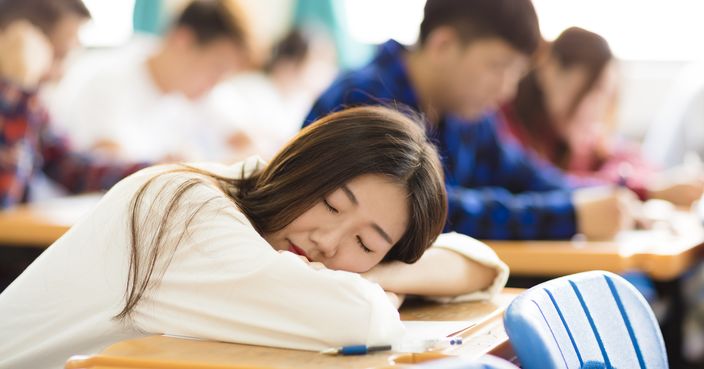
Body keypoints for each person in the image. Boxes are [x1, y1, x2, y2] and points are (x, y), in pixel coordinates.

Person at [0, 106, 508, 369]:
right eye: (332, 204)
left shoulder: (256, 207)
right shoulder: (187, 208)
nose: (330, 242)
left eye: (366, 243)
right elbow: (361, 318)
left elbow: (480, 263)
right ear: (302, 165)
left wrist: (378, 273)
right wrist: (371, 283)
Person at [304, 0, 635, 240]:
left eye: (515, 74)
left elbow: (525, 174)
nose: (506, 91)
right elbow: (425, 212)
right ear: (443, 45)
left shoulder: (467, 114)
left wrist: (606, 196)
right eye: (498, 67)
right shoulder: (367, 99)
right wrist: (572, 215)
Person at [501, 27, 704, 206]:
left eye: (606, 96)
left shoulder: (576, 140)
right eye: (594, 90)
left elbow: (636, 161)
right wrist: (647, 190)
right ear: (550, 70)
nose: (597, 109)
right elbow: (553, 185)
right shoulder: (505, 130)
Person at [53, 0, 255, 162]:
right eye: (216, 67)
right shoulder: (110, 79)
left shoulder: (205, 93)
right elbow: (108, 165)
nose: (216, 83)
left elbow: (251, 148)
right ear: (182, 40)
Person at [0, 0, 146, 209]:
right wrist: (18, 83)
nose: (59, 73)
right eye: (59, 56)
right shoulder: (20, 97)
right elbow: (4, 201)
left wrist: (153, 171)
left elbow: (71, 168)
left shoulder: (31, 106)